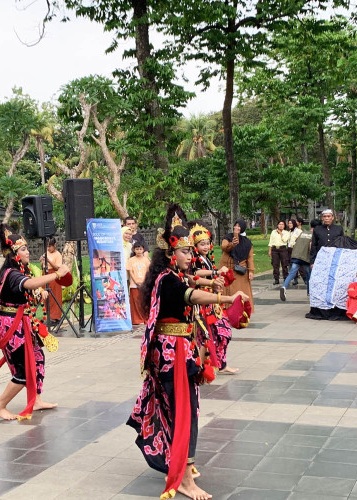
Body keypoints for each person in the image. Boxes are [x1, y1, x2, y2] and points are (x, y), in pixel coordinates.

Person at [127, 204, 249, 500]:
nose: (190, 255)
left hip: (179, 353)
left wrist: (213, 281)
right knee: (184, 415)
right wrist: (228, 296)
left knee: (184, 413)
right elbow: (192, 295)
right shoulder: (167, 280)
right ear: (170, 254)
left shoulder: (174, 276)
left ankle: (180, 467)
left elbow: (195, 282)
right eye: (184, 251)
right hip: (173, 357)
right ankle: (183, 480)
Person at [0, 224, 70, 420]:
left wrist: (39, 294)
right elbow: (28, 284)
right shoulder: (11, 274)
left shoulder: (22, 269)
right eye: (23, 249)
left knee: (37, 359)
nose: (28, 252)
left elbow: (28, 293)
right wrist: (56, 275)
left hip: (23, 322)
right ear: (14, 254)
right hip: (11, 325)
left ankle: (36, 400)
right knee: (22, 371)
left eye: (27, 248)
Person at [189, 222, 238, 374]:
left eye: (207, 243)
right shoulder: (194, 259)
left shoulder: (207, 259)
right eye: (201, 244)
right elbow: (195, 274)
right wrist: (215, 274)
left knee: (222, 333)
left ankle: (219, 364)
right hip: (203, 303)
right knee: (207, 335)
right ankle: (205, 366)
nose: (205, 246)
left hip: (213, 302)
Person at [221, 219, 255, 311]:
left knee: (242, 290)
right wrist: (232, 244)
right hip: (228, 267)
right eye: (235, 225)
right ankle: (226, 310)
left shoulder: (247, 242)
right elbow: (224, 248)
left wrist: (251, 271)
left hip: (241, 269)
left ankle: (242, 310)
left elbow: (250, 257)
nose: (236, 228)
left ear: (243, 228)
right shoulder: (228, 237)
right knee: (227, 289)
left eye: (239, 226)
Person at [280, 220, 313, 301]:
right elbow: (311, 246)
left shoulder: (302, 233)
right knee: (308, 274)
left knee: (291, 273)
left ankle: (284, 286)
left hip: (296, 255)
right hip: (305, 257)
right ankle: (309, 291)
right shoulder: (313, 235)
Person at [40, 238, 63, 325]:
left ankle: (56, 317)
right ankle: (49, 316)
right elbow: (42, 265)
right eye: (47, 246)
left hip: (54, 275)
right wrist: (42, 261)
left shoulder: (58, 255)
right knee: (46, 296)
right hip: (46, 274)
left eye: (50, 246)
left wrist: (48, 260)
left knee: (54, 296)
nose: (48, 248)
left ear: (55, 245)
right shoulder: (46, 252)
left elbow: (57, 268)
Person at [127, 241, 150, 326]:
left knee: (144, 301)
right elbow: (130, 272)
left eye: (140, 249)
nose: (139, 251)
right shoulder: (131, 260)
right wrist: (136, 281)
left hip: (144, 283)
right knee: (136, 302)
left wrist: (144, 282)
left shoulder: (146, 260)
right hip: (134, 284)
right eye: (137, 249)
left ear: (143, 249)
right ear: (134, 250)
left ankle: (145, 318)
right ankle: (137, 319)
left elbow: (148, 272)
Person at [268, 220, 290, 285]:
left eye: (282, 224)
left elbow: (285, 240)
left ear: (284, 226)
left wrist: (281, 233)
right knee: (275, 265)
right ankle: (276, 279)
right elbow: (271, 242)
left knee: (284, 264)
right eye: (279, 224)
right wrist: (270, 250)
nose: (281, 225)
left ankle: (285, 278)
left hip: (282, 249)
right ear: (277, 225)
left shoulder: (286, 232)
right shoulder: (273, 232)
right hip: (275, 249)